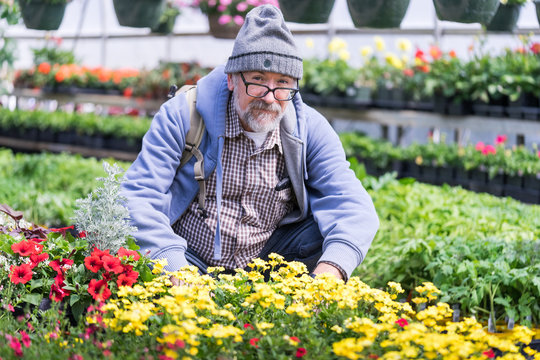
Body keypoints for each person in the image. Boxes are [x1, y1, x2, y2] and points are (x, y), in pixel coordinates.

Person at [121, 4, 379, 281]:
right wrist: (174, 268)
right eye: (257, 80)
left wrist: (332, 270)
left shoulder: (309, 129)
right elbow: (138, 196)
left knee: (324, 230)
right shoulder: (183, 116)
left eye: (283, 83)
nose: (270, 97)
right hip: (189, 258)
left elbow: (354, 207)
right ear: (232, 79)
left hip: (265, 266)